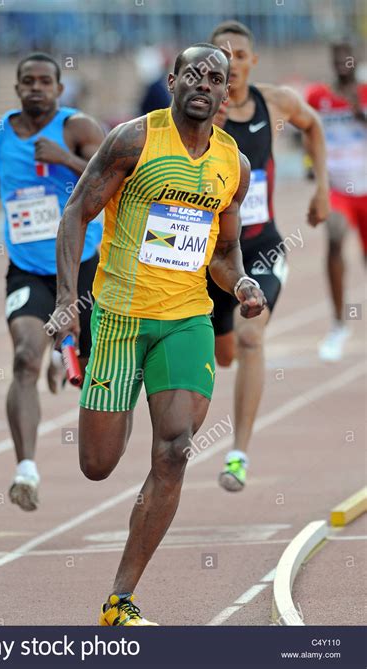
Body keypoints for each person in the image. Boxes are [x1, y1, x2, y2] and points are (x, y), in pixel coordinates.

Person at [49, 42, 266, 625]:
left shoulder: (232, 166)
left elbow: (224, 254)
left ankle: (120, 599)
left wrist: (242, 284)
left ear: (225, 94)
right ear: (171, 80)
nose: (203, 81)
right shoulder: (133, 141)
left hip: (186, 318)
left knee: (173, 449)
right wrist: (69, 301)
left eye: (215, 76)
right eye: (192, 72)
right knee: (97, 464)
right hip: (119, 318)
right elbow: (75, 213)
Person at [0, 52, 105, 511]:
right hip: (27, 266)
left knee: (88, 371)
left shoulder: (79, 129)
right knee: (24, 355)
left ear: (60, 90)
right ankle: (26, 470)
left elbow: (114, 179)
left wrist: (64, 158)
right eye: (28, 81)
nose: (36, 88)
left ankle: (63, 352)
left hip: (82, 263)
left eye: (46, 81)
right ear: (17, 88)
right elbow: (4, 176)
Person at [205, 21, 330, 492]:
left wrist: (322, 188)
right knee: (226, 354)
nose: (231, 63)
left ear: (251, 62)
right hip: (211, 257)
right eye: (221, 55)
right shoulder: (194, 114)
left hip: (260, 248)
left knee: (251, 335)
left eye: (239, 55)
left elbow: (313, 124)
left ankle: (237, 454)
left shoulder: (273, 102)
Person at [306, 41, 367, 362]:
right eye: (337, 56)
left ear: (357, 60)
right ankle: (339, 324)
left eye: (349, 56)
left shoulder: (366, 93)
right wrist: (311, 171)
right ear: (331, 61)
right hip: (338, 189)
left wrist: (359, 111)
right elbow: (307, 134)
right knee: (334, 239)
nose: (344, 61)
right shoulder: (319, 97)